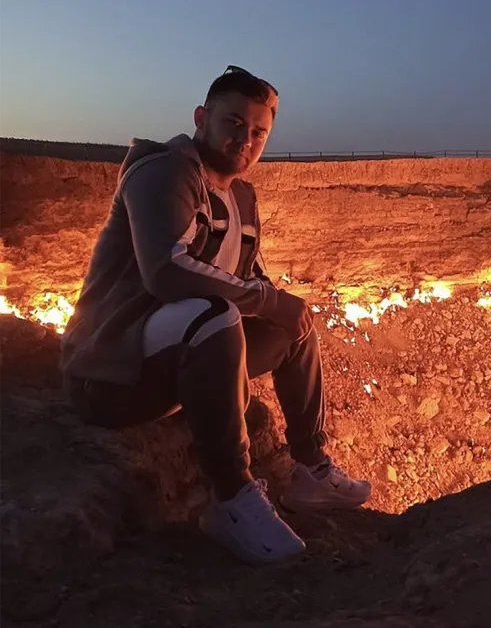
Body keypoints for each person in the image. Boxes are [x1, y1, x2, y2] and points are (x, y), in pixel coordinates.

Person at [61, 65, 371, 565]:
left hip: (178, 362)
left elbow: (251, 276)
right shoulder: (163, 172)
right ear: (202, 117)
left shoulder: (242, 196)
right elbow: (167, 271)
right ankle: (230, 498)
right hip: (113, 373)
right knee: (218, 312)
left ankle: (310, 470)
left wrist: (281, 305)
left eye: (258, 132)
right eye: (232, 123)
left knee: (294, 323)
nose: (244, 140)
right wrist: (265, 300)